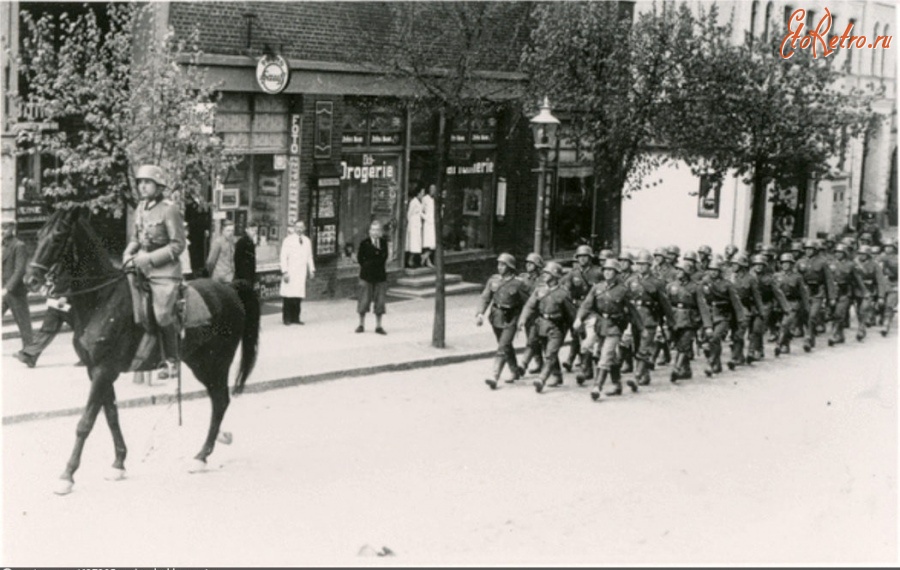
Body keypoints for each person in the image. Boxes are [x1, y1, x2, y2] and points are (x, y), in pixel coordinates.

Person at [122, 164, 186, 379]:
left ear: (159, 187)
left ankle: (172, 359)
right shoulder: (140, 208)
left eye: (147, 182)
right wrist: (127, 254)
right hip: (141, 265)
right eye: (140, 183)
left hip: (165, 271)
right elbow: (135, 238)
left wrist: (148, 259)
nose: (142, 186)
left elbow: (178, 246)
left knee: (161, 314)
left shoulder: (169, 209)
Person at [575, 258, 633, 400]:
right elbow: (587, 305)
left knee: (605, 356)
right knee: (607, 355)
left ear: (616, 273)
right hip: (600, 326)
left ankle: (597, 387)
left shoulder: (623, 290)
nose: (607, 273)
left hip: (615, 327)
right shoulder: (597, 288)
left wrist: (633, 329)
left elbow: (632, 311)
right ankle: (617, 384)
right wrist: (579, 318)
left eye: (611, 270)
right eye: (605, 270)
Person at [519, 261, 577, 394]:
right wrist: (523, 319)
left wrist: (577, 330)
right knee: (548, 351)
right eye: (544, 272)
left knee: (550, 354)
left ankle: (542, 379)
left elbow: (571, 314)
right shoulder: (540, 289)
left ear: (555, 275)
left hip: (557, 327)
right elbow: (529, 305)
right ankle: (557, 376)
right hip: (542, 324)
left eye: (547, 273)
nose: (544, 275)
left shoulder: (563, 293)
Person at [476, 253, 531, 390]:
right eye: (499, 264)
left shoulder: (519, 283)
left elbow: (528, 303)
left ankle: (494, 376)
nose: (499, 267)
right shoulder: (493, 280)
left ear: (510, 267)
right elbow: (485, 298)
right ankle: (514, 371)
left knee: (502, 346)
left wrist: (523, 319)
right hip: (496, 317)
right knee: (505, 345)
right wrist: (480, 313)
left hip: (512, 318)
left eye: (503, 265)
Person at [666, 260, 713, 383]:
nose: (678, 272)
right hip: (675, 318)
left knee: (684, 344)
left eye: (681, 270)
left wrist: (707, 325)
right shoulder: (671, 286)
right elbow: (666, 304)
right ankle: (686, 370)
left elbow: (703, 306)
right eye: (678, 270)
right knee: (678, 344)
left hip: (690, 320)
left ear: (687, 272)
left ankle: (676, 369)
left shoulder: (696, 287)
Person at [700, 257, 745, 377]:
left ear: (720, 271)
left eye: (715, 270)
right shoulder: (704, 282)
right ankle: (717, 364)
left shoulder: (727, 284)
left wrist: (741, 318)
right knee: (708, 342)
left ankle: (710, 364)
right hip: (709, 315)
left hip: (723, 315)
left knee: (715, 338)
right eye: (711, 269)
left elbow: (736, 302)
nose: (713, 272)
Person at [3, 219, 33, 351]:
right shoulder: (2, 245)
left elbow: (20, 270)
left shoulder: (19, 245)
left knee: (23, 323)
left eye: (5, 228)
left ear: (12, 228)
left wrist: (8, 288)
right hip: (3, 289)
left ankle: (29, 350)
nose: (2, 231)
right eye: (0, 228)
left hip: (15, 291)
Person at [772, 252, 810, 356]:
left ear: (791, 264)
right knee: (781, 325)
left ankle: (778, 345)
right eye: (783, 263)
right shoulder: (776, 276)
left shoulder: (797, 277)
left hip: (792, 303)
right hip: (779, 304)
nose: (785, 265)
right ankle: (786, 344)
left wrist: (806, 306)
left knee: (785, 324)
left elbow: (803, 292)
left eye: (788, 263)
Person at [356, 220, 389, 335]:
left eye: (377, 230)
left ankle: (378, 326)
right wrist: (368, 266)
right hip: (366, 276)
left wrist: (374, 262)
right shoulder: (364, 243)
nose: (375, 232)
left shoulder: (383, 243)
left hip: (380, 276)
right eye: (373, 230)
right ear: (369, 231)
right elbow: (360, 258)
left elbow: (384, 257)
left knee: (380, 301)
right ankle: (361, 324)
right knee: (364, 300)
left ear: (380, 232)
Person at [280, 220, 315, 325]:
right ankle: (286, 318)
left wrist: (311, 270)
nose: (299, 229)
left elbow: (309, 256)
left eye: (301, 227)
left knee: (298, 296)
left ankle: (296, 317)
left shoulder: (307, 241)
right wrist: (285, 271)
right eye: (297, 227)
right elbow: (283, 257)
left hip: (301, 272)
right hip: (290, 271)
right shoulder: (288, 240)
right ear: (294, 228)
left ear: (304, 228)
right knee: (288, 296)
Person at [517, 252, 545, 375]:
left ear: (537, 265)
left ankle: (523, 364)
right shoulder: (523, 278)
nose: (528, 265)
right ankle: (539, 364)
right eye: (527, 263)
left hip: (539, 313)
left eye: (531, 263)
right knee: (532, 338)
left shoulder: (543, 279)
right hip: (528, 313)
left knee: (532, 340)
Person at [405, 187, 425, 268]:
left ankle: (413, 260)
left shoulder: (420, 202)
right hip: (413, 225)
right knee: (413, 244)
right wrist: (411, 223)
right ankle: (410, 260)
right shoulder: (413, 202)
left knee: (416, 244)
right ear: (418, 193)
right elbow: (409, 214)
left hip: (417, 225)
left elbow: (421, 213)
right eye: (422, 193)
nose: (423, 195)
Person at [420, 184, 436, 268]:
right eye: (431, 189)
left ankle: (424, 257)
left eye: (434, 189)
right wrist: (426, 218)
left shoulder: (436, 199)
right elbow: (420, 211)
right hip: (427, 224)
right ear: (429, 189)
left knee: (433, 244)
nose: (433, 190)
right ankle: (428, 261)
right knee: (428, 243)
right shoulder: (425, 199)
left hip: (434, 224)